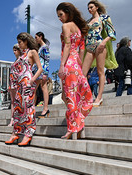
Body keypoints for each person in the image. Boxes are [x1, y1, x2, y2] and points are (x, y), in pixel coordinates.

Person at [56, 2, 93, 140]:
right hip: (76, 64)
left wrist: (61, 65)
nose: (59, 18)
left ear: (67, 12)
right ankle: (77, 125)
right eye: (58, 16)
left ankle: (72, 128)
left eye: (61, 14)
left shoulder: (66, 26)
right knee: (70, 96)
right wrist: (81, 68)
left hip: (68, 63)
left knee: (70, 97)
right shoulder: (79, 29)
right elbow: (82, 49)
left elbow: (67, 46)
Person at [5, 32, 43, 147]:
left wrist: (32, 80)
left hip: (27, 82)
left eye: (20, 42)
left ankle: (28, 133)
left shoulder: (32, 52)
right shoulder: (21, 55)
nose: (19, 45)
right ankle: (15, 132)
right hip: (19, 84)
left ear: (25, 41)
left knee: (28, 106)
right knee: (18, 108)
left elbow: (40, 68)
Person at [82, 0, 117, 107]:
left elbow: (112, 33)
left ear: (96, 7)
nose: (89, 9)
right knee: (83, 73)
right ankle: (85, 96)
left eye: (91, 7)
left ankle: (99, 97)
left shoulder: (104, 18)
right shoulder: (88, 21)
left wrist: (104, 42)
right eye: (88, 8)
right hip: (89, 47)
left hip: (100, 45)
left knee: (100, 71)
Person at [34, 32, 50, 117]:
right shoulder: (40, 48)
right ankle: (44, 109)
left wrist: (45, 73)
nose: (35, 39)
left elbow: (47, 60)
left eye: (36, 37)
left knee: (41, 88)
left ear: (41, 37)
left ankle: (45, 108)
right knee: (38, 89)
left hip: (42, 71)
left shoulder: (44, 47)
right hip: (38, 71)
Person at [8, 44, 23, 126]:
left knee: (18, 100)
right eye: (13, 50)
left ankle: (18, 118)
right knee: (12, 102)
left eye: (15, 50)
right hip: (12, 82)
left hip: (18, 82)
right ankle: (12, 118)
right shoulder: (15, 61)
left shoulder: (21, 60)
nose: (14, 52)